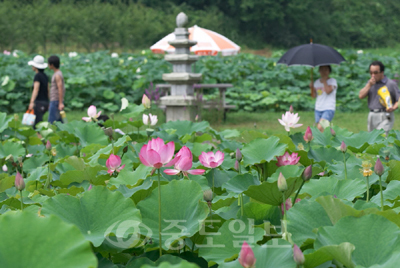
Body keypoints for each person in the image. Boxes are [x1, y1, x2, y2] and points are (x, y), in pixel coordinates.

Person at [359, 61, 399, 135]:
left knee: (381, 137)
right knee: (372, 139)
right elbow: (361, 95)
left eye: (375, 73)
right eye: (371, 73)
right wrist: (369, 85)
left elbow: (398, 99)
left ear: (382, 72)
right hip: (372, 114)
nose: (373, 75)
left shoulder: (390, 84)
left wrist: (393, 108)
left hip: (385, 115)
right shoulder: (370, 83)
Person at [309, 65, 338, 132]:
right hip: (318, 108)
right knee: (320, 129)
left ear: (329, 71)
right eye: (322, 69)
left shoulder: (332, 81)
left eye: (326, 69)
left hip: (328, 108)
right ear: (319, 71)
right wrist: (311, 88)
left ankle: (331, 137)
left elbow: (328, 91)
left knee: (320, 126)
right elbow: (313, 96)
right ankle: (325, 140)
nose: (323, 72)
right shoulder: (317, 82)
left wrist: (324, 80)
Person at [27, 55, 49, 129]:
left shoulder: (37, 76)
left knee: (37, 125)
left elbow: (36, 89)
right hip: (45, 102)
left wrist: (32, 102)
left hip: (39, 102)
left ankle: (42, 140)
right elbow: (48, 89)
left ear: (35, 67)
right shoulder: (45, 76)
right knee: (38, 122)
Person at [47, 55, 65, 124]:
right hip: (55, 100)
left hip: (56, 101)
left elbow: (60, 89)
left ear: (52, 65)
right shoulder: (57, 73)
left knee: (52, 121)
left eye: (48, 64)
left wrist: (60, 103)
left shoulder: (57, 75)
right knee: (59, 122)